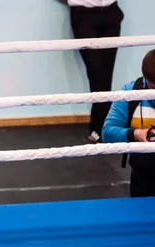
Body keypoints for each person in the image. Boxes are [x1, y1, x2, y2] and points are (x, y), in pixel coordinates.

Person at [59, 0, 125, 143]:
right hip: (83, 15)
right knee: (96, 72)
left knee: (106, 73)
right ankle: (101, 127)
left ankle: (103, 127)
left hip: (111, 12)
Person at [102, 49, 155, 197]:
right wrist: (135, 133)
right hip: (144, 174)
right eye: (153, 88)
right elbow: (107, 132)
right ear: (145, 78)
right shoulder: (130, 92)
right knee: (142, 218)